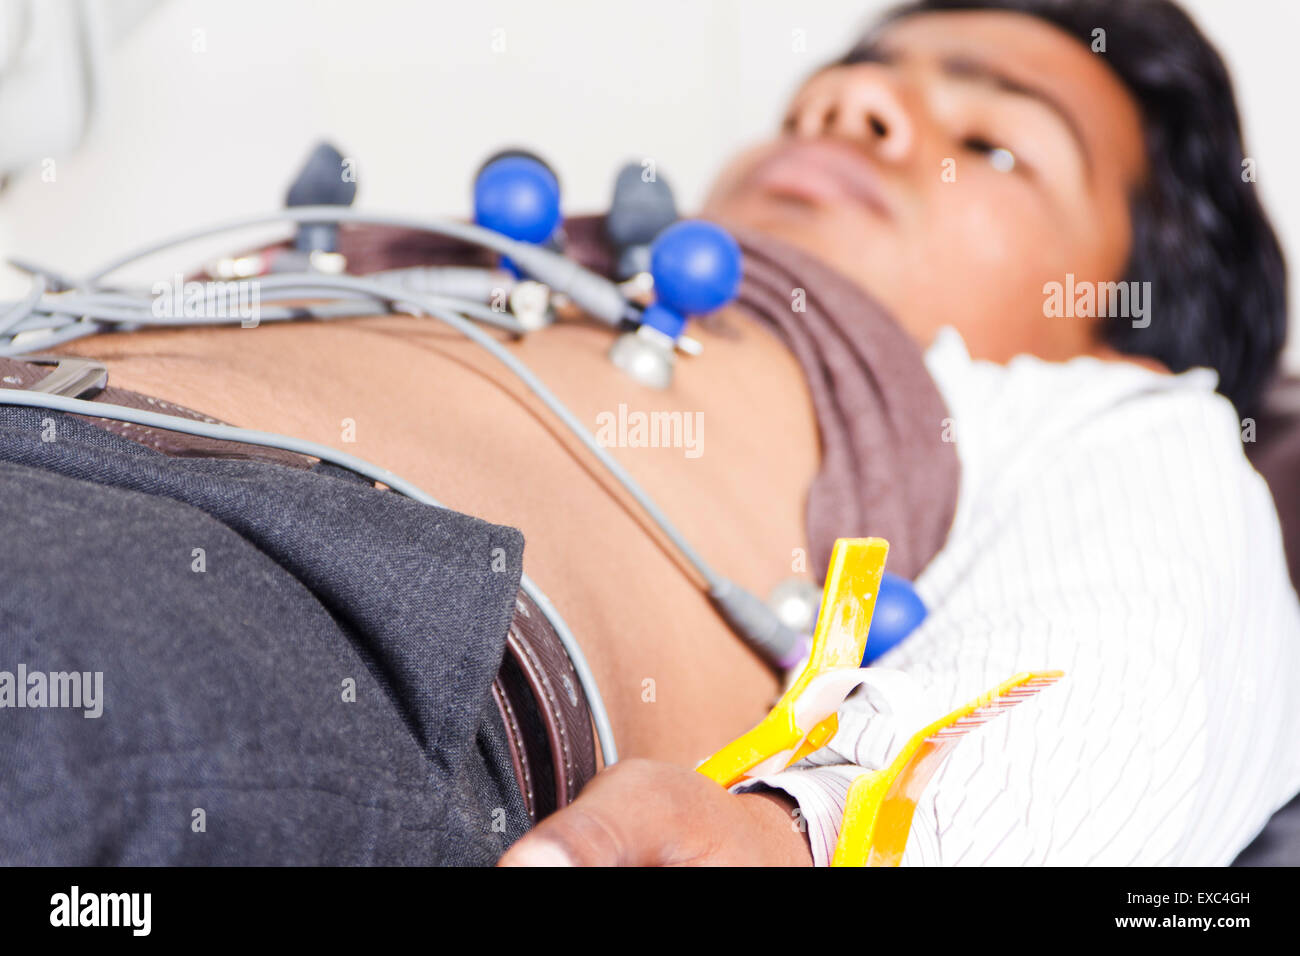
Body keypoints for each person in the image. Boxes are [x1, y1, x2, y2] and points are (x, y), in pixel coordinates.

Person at [2, 0, 1296, 866]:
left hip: (260, 590)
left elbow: (1149, 663)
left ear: (1119, 318)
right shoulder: (516, 261)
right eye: (842, 87)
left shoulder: (1082, 412)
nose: (858, 107)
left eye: (992, 142)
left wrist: (801, 834)